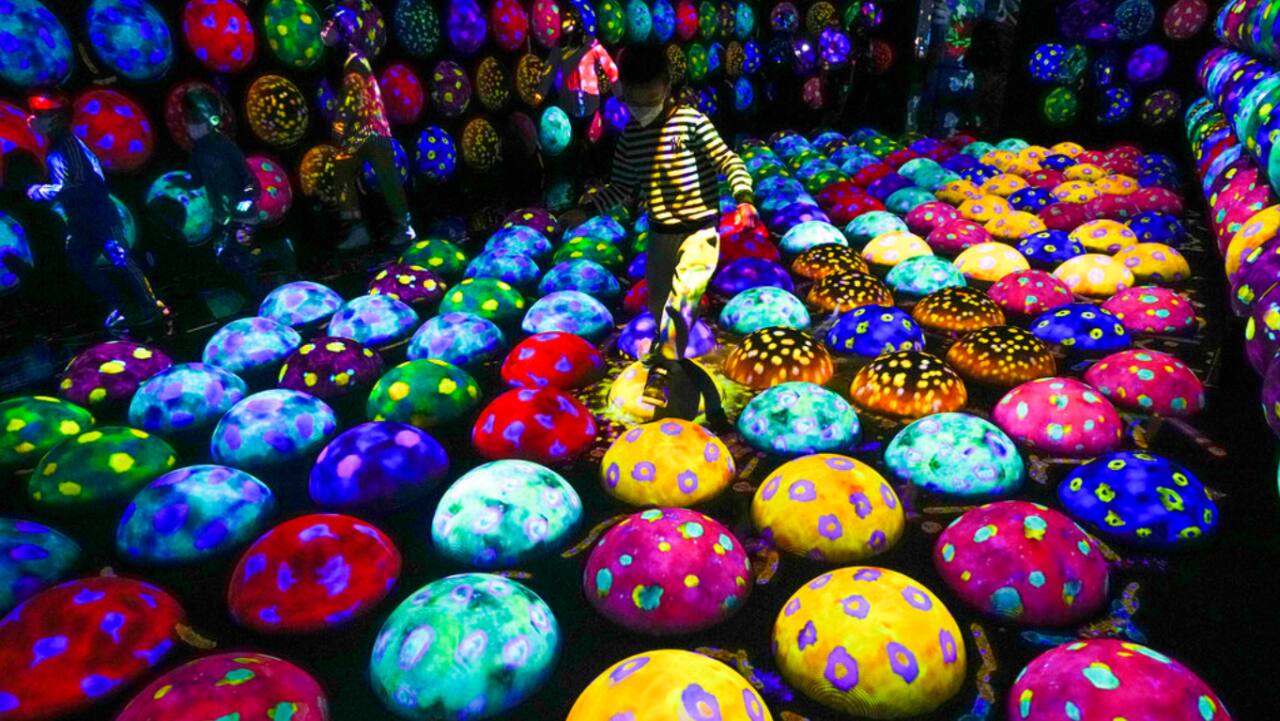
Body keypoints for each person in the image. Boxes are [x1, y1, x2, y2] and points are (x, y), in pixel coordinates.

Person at [576, 44, 758, 427]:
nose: (643, 106)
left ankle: (664, 369)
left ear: (666, 85)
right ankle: (673, 365)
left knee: (685, 296)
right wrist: (586, 209)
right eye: (634, 99)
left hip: (698, 231)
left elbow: (729, 159)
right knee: (660, 307)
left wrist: (743, 198)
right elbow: (621, 187)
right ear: (622, 90)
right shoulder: (629, 137)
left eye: (651, 97)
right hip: (659, 237)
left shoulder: (691, 123)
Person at [25, 91, 162, 337]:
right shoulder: (55, 146)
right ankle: (122, 305)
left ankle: (150, 306)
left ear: (55, 119)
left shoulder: (69, 146)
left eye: (38, 115)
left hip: (98, 215)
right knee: (79, 262)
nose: (32, 119)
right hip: (80, 219)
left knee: (120, 258)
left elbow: (80, 184)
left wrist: (42, 191)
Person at [183, 87, 295, 300]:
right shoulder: (198, 151)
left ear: (212, 120)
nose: (189, 127)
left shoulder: (225, 146)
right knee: (230, 255)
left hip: (243, 215)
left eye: (195, 121)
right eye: (188, 121)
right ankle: (268, 264)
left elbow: (250, 180)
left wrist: (243, 204)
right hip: (223, 215)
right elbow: (196, 179)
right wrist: (186, 183)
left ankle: (273, 264)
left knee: (239, 255)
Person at [322, 1, 416, 251]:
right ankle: (387, 227)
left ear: (341, 30)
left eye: (328, 26)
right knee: (376, 176)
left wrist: (339, 127)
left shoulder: (353, 60)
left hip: (368, 130)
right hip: (372, 129)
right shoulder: (347, 58)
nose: (323, 32)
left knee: (362, 173)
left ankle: (387, 228)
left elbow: (353, 96)